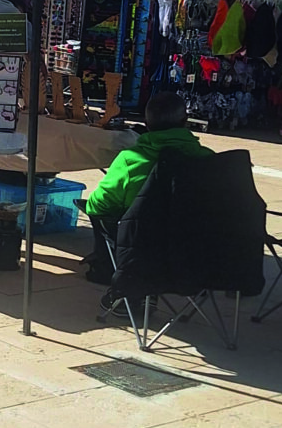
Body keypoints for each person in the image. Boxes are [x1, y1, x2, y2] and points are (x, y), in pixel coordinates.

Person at [84, 92, 208, 284]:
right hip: (193, 258)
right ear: (185, 121)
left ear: (147, 125)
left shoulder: (130, 160)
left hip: (141, 257)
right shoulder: (209, 160)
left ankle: (107, 270)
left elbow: (98, 206)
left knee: (98, 212)